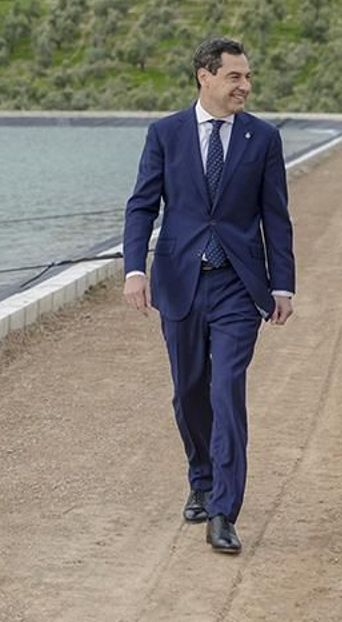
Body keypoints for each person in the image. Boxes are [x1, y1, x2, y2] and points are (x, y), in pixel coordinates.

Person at [123, 37, 295, 554]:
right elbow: (141, 207)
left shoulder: (263, 138)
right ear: (205, 76)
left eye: (247, 77)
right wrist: (135, 269)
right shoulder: (166, 134)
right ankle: (200, 477)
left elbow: (276, 216)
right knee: (190, 391)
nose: (244, 85)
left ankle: (223, 509)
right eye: (234, 76)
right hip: (180, 281)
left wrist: (282, 283)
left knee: (226, 390)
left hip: (240, 286)